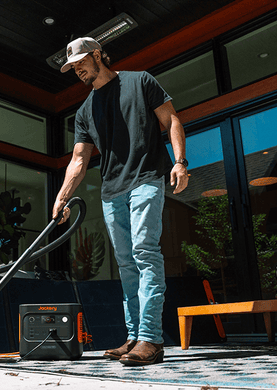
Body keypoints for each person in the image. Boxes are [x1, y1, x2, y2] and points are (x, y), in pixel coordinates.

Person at [52, 37, 188, 366]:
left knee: (145, 253)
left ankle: (151, 339)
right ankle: (134, 336)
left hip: (146, 178)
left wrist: (180, 162)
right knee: (127, 266)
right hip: (112, 191)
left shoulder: (140, 81)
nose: (78, 69)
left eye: (82, 61)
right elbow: (79, 160)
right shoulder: (84, 111)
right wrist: (62, 197)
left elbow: (171, 121)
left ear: (98, 54)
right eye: (73, 67)